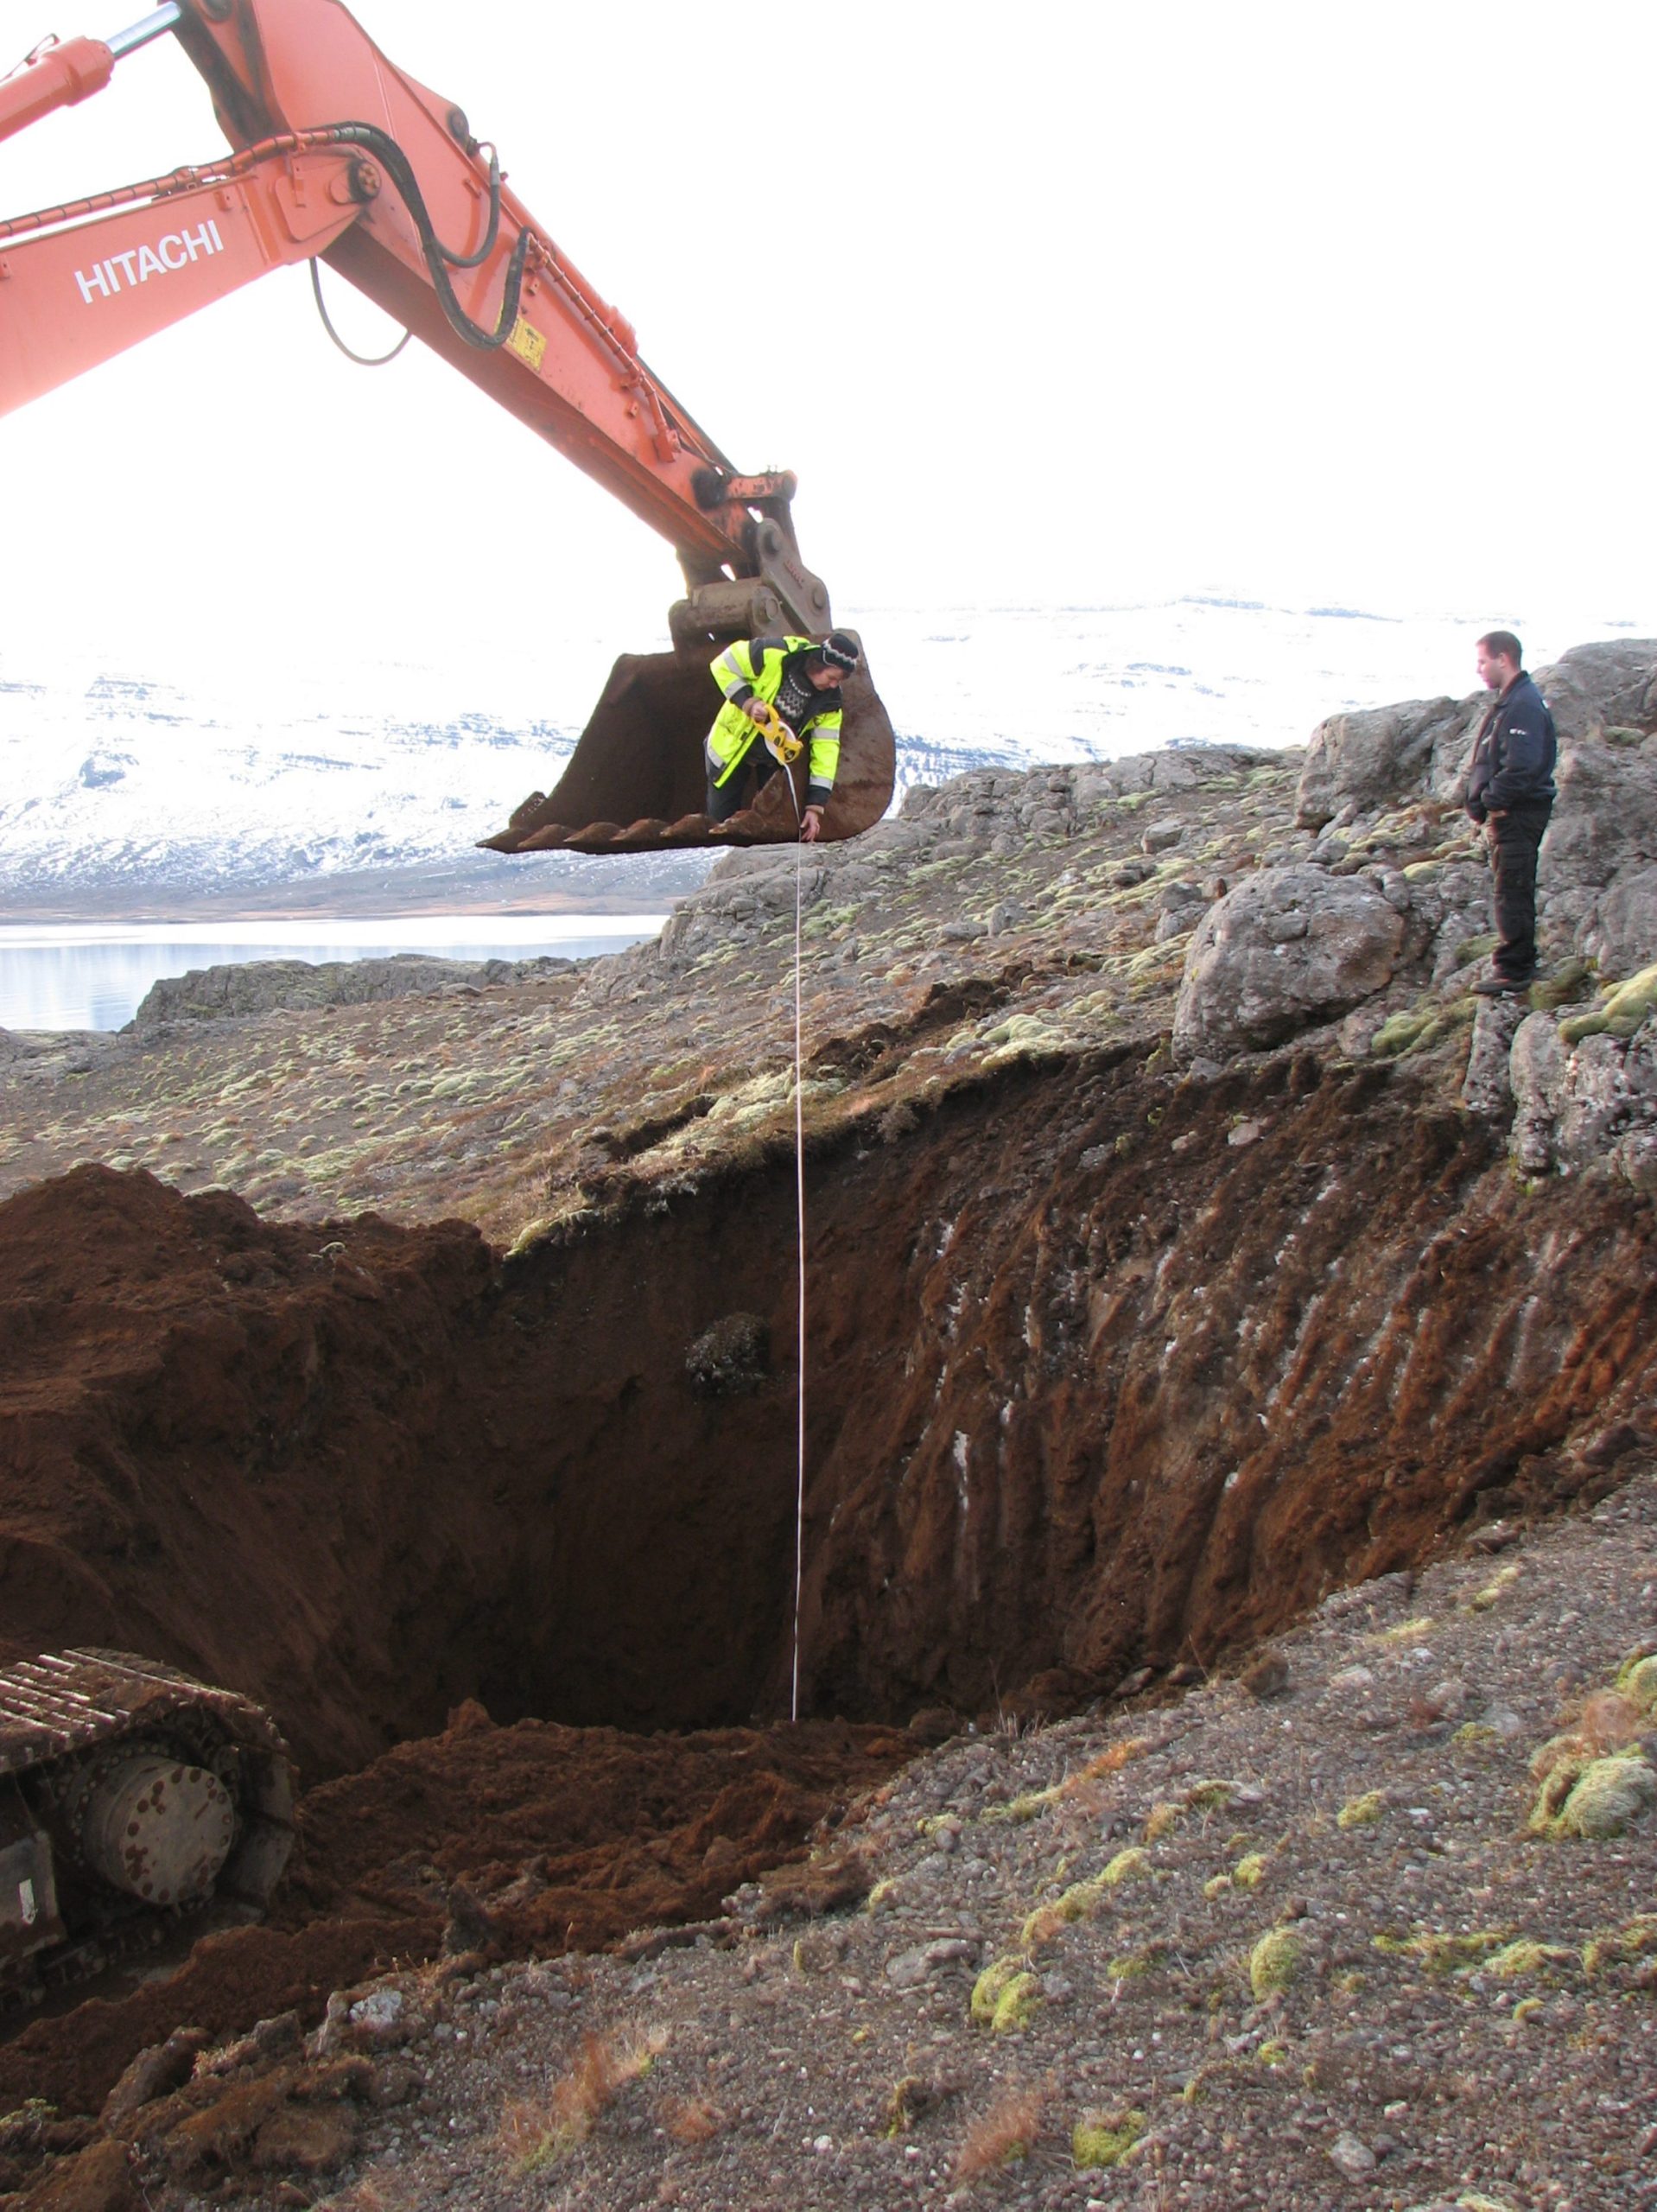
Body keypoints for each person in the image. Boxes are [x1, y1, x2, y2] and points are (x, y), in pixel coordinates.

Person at [1463, 629, 1557, 995]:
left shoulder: (1523, 704)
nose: (1479, 669)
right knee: (1510, 888)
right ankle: (1515, 961)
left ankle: (1515, 970)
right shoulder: (1512, 700)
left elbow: (1523, 766)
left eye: (1483, 661)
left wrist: (1490, 799)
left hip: (1519, 814)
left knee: (1513, 889)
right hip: (1510, 813)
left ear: (1504, 658)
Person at [704, 630, 860, 842]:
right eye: (832, 677)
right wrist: (748, 703)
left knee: (768, 825)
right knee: (719, 821)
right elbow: (722, 664)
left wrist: (815, 806)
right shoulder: (773, 653)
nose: (833, 685)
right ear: (818, 663)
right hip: (729, 748)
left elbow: (826, 749)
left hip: (772, 759)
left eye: (839, 681)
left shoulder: (831, 702)